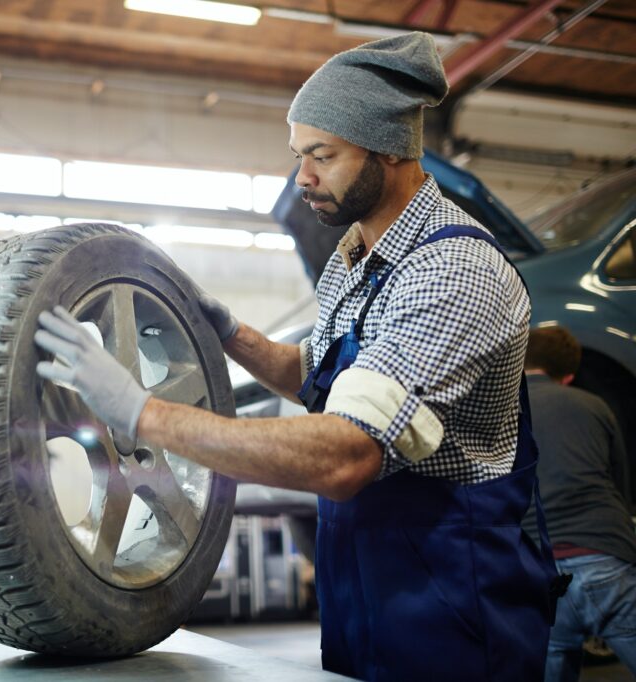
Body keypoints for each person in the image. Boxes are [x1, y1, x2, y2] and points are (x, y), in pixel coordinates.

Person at [34, 32, 560, 681]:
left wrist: (142, 413)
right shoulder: (354, 255)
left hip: (457, 607)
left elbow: (345, 454)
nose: (302, 177)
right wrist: (233, 335)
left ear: (390, 148)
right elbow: (323, 376)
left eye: (323, 155)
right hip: (363, 600)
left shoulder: (455, 272)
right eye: (298, 155)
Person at [521, 326, 636, 681]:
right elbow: (622, 489)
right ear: (568, 376)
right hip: (606, 560)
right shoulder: (594, 405)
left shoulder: (500, 413)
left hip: (539, 575)